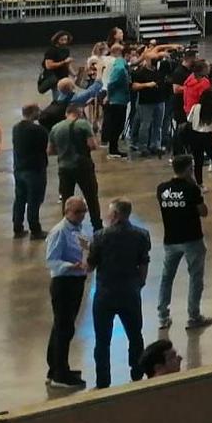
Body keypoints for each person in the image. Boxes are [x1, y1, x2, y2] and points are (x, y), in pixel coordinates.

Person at [87, 198, 149, 390]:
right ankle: (137, 375)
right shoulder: (141, 235)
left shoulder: (99, 236)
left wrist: (86, 250)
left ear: (115, 215)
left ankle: (103, 382)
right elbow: (144, 262)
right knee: (135, 336)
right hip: (130, 292)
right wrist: (139, 284)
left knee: (102, 341)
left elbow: (90, 266)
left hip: (105, 294)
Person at [155, 154, 212, 331]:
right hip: (192, 239)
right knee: (195, 277)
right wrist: (196, 187)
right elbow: (204, 212)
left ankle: (163, 316)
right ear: (189, 169)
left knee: (167, 277)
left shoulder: (162, 189)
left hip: (171, 239)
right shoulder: (191, 189)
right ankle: (193, 315)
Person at [44, 195, 90, 389]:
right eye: (78, 212)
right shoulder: (59, 232)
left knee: (63, 326)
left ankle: (55, 366)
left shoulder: (79, 229)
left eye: (84, 212)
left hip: (76, 281)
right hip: (64, 284)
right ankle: (60, 375)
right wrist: (72, 266)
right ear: (67, 211)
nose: (82, 215)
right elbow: (52, 260)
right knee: (64, 329)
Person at [49, 105, 101, 231]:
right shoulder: (83, 124)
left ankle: (67, 227)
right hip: (83, 167)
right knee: (91, 198)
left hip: (64, 168)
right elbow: (92, 145)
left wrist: (63, 151)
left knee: (66, 199)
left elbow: (50, 151)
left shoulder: (55, 128)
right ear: (79, 113)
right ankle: (97, 226)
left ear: (66, 113)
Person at [12, 102, 49, 240]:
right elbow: (45, 146)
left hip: (19, 169)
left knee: (20, 199)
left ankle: (18, 227)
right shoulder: (38, 130)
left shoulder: (16, 128)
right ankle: (35, 229)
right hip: (35, 170)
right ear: (33, 112)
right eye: (38, 111)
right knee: (34, 201)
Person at [181, 86, 212, 187]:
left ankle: (200, 184)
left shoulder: (195, 107)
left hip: (195, 136)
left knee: (198, 161)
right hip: (208, 137)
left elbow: (189, 120)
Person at [130, 48, 167, 157]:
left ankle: (155, 145)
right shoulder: (140, 72)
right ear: (146, 60)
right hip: (146, 102)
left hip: (160, 101)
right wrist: (147, 85)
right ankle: (143, 147)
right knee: (145, 124)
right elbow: (134, 86)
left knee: (158, 125)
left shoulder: (159, 70)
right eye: (153, 59)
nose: (155, 61)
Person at [100, 44, 132, 158]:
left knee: (118, 125)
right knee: (117, 125)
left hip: (120, 99)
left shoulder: (122, 65)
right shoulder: (120, 68)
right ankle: (113, 150)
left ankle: (114, 148)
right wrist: (108, 96)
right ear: (127, 55)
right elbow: (112, 83)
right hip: (117, 100)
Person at [39, 29, 73, 95]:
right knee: (58, 98)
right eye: (62, 40)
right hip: (54, 78)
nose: (64, 42)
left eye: (65, 40)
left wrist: (74, 74)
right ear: (57, 40)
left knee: (66, 96)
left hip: (64, 77)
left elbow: (67, 65)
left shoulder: (66, 50)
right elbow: (48, 66)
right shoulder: (51, 50)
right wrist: (64, 62)